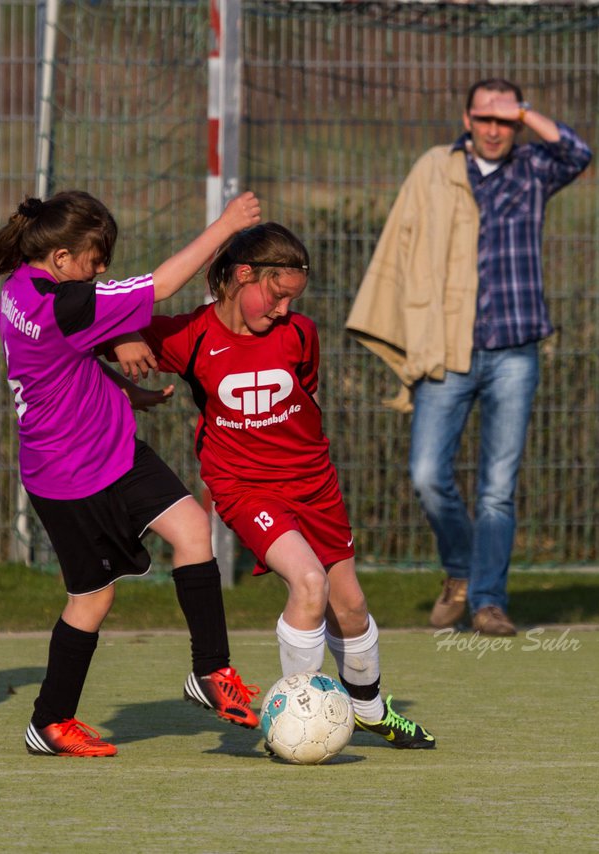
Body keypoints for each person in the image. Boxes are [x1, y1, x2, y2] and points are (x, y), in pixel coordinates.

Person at [115, 222, 435, 750]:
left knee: (350, 605)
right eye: (277, 295)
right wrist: (126, 340)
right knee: (309, 583)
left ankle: (372, 711)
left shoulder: (299, 334)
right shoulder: (189, 336)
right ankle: (292, 721)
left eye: (293, 299)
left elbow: (305, 394)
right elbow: (88, 333)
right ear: (243, 275)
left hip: (314, 482)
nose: (284, 309)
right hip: (244, 486)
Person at [0, 188, 264, 758]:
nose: (102, 269)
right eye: (95, 259)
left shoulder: (23, 288)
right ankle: (49, 722)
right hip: (68, 477)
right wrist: (226, 226)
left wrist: (124, 382)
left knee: (192, 530)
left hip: (114, 450)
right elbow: (159, 286)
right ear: (62, 258)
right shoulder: (65, 302)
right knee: (92, 601)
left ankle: (210, 671)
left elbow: (64, 359)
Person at [347, 78, 592, 636]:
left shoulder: (533, 169)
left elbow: (579, 153)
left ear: (517, 122)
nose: (493, 129)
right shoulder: (435, 168)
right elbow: (403, 246)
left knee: (498, 488)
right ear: (466, 118)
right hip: (445, 348)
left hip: (515, 351)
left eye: (505, 120)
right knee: (428, 474)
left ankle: (487, 601)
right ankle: (460, 568)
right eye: (485, 117)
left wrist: (528, 113)